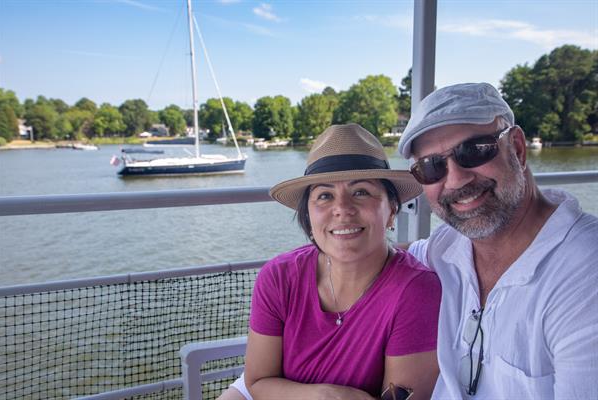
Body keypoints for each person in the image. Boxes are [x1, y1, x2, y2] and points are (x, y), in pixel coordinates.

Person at [398, 82, 598, 399]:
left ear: (517, 148)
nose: (456, 179)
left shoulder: (586, 274)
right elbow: (389, 256)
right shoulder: (448, 247)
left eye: (474, 151)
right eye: (431, 166)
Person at [220, 123, 441, 400]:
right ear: (308, 217)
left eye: (361, 191)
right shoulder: (279, 277)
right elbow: (259, 381)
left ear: (392, 210)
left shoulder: (416, 292)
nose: (342, 209)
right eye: (325, 195)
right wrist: (325, 396)